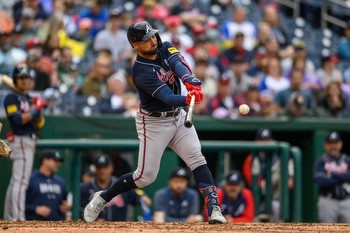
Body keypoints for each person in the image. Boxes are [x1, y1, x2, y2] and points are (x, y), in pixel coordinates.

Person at [83, 21, 226, 224]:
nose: (152, 40)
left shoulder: (164, 45)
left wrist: (188, 80)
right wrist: (187, 99)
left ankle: (214, 209)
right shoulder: (140, 71)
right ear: (135, 44)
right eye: (145, 39)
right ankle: (103, 197)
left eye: (152, 36)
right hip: (153, 122)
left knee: (196, 158)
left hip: (177, 116)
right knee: (144, 177)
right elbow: (167, 96)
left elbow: (178, 63)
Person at [3, 64, 46, 221]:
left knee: (16, 181)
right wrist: (34, 108)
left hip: (29, 139)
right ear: (15, 80)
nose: (24, 81)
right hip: (20, 139)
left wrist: (38, 110)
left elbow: (40, 124)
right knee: (21, 182)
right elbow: (18, 120)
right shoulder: (11, 97)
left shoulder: (28, 98)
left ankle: (9, 217)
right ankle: (18, 219)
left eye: (27, 78)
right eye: (21, 78)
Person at [242, 128, 294, 222]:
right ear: (256, 141)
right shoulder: (251, 158)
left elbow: (290, 183)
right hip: (258, 199)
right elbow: (253, 184)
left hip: (276, 198)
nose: (265, 143)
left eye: (268, 140)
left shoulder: (280, 157)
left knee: (276, 207)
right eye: (262, 140)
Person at [80, 154, 151, 221]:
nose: (102, 170)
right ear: (95, 168)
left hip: (119, 228)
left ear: (111, 168)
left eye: (105, 167)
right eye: (99, 167)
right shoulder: (85, 188)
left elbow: (137, 193)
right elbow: (78, 211)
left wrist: (142, 196)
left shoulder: (120, 185)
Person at [313, 131, 350, 223]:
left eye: (336, 143)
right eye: (330, 143)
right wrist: (344, 177)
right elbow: (321, 181)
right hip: (328, 201)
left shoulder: (347, 160)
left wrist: (333, 174)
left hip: (347, 201)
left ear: (341, 144)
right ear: (325, 145)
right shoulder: (321, 161)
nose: (333, 146)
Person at [25, 150, 71, 220]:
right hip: (33, 226)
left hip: (56, 227)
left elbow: (64, 204)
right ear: (45, 160)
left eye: (59, 161)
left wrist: (64, 208)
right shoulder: (30, 178)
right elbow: (18, 204)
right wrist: (35, 209)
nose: (58, 164)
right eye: (55, 161)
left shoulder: (60, 182)